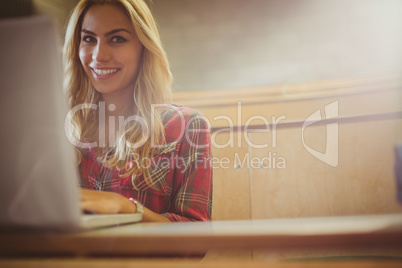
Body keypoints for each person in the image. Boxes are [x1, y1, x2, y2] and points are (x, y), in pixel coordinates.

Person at [63, 0, 212, 222]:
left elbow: (196, 241)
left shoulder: (186, 126)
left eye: (117, 39)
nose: (98, 55)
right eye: (88, 39)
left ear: (144, 47)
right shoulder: (61, 127)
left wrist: (127, 209)